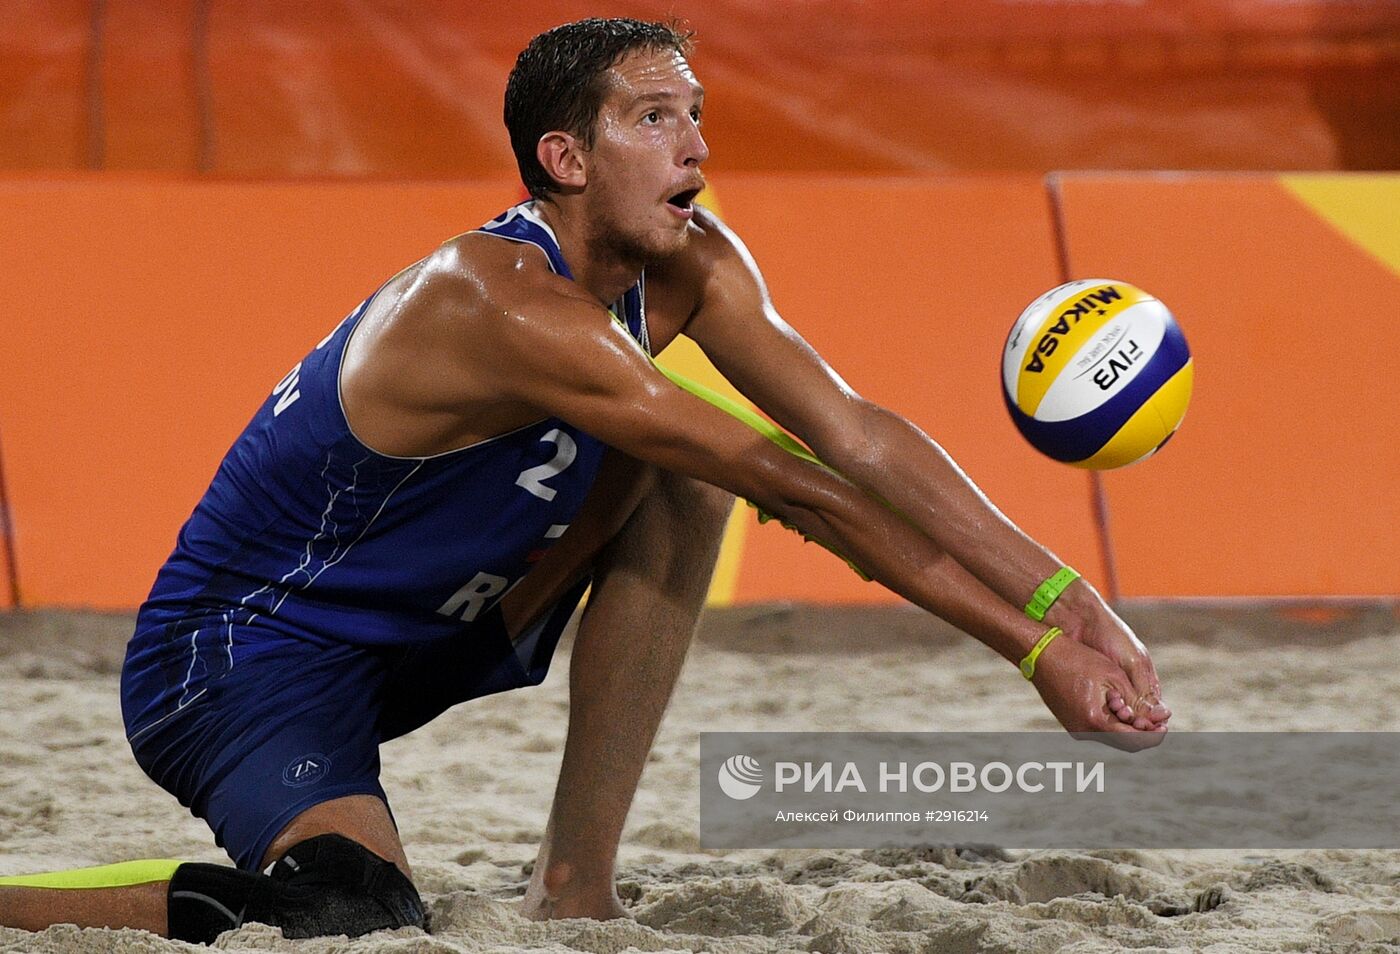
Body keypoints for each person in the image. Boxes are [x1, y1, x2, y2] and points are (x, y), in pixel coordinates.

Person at [0, 16, 1170, 943]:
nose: (697, 148)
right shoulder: (491, 298)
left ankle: (573, 887)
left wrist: (1068, 602)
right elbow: (800, 486)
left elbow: (855, 433)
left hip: (431, 625)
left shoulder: (690, 258)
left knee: (680, 483)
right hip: (244, 656)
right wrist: (1025, 653)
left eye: (696, 116)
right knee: (348, 913)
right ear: (566, 156)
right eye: (655, 119)